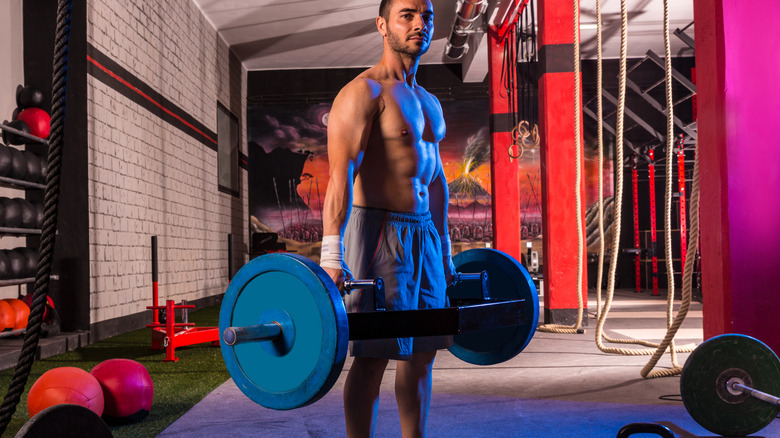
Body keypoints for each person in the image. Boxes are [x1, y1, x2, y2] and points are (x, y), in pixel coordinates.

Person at [319, 0, 455, 436]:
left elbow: (434, 182)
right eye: (408, 14)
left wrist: (446, 248)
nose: (420, 23)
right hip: (378, 233)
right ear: (382, 25)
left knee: (423, 350)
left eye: (427, 16)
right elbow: (339, 179)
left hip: (425, 236)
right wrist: (331, 255)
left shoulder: (429, 101)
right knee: (374, 353)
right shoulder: (362, 94)